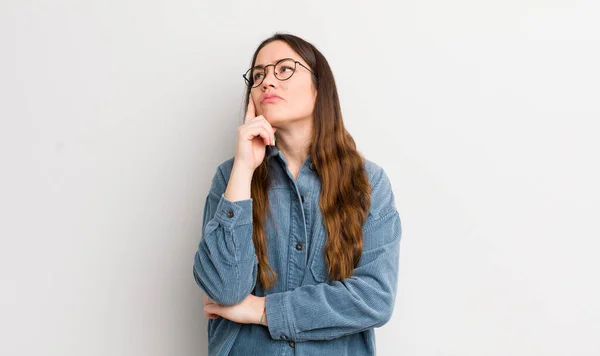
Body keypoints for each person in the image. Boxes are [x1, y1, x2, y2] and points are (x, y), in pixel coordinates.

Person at [193, 33, 402, 356]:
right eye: (258, 74)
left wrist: (261, 310)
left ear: (320, 88)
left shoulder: (367, 182)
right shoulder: (231, 177)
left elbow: (374, 298)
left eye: (284, 69)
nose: (267, 82)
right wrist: (243, 169)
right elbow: (224, 289)